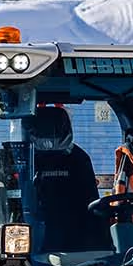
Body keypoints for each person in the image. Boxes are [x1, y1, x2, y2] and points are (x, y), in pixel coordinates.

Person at [30, 104, 111, 254]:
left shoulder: (79, 159)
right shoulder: (25, 160)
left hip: (78, 236)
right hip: (35, 234)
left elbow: (90, 200)